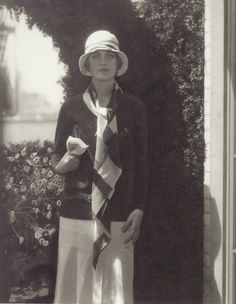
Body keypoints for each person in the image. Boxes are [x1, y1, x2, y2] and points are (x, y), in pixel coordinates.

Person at [52, 30, 148, 304]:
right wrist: (69, 159)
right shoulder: (70, 109)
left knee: (117, 290)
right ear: (88, 65)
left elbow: (142, 164)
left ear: (118, 64)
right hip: (77, 212)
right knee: (76, 288)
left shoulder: (134, 108)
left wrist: (139, 208)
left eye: (109, 56)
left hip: (120, 214)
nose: (103, 61)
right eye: (96, 56)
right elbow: (57, 161)